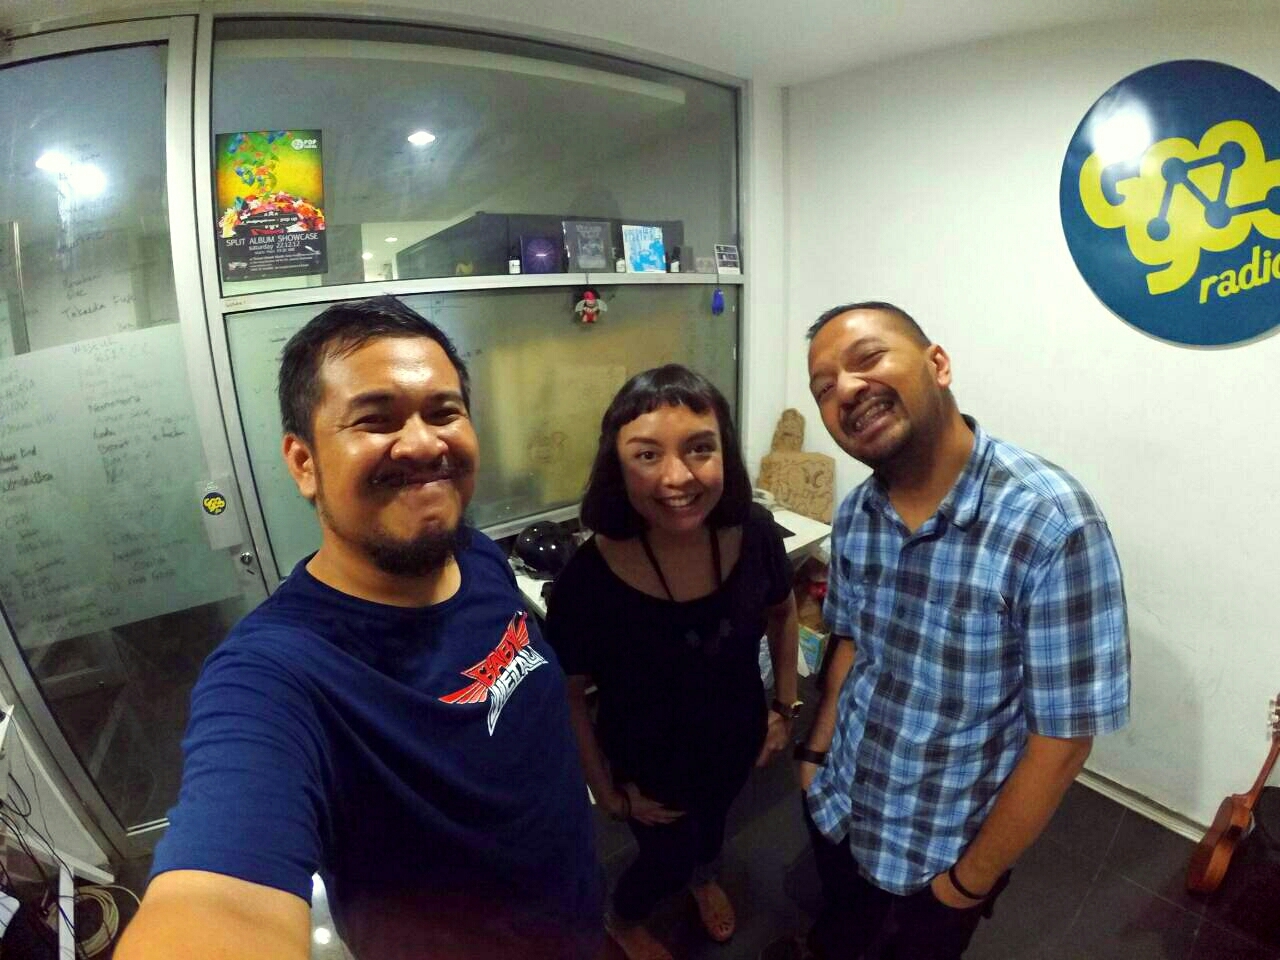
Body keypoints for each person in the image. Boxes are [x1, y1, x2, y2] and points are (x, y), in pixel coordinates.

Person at [118, 296, 602, 960]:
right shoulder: (275, 675)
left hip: (577, 913)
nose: (424, 442)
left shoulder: (475, 556)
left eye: (444, 412)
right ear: (303, 462)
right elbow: (217, 905)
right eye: (376, 419)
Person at [773, 301, 1130, 960]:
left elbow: (1062, 741)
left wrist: (965, 885)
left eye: (868, 358)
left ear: (938, 364)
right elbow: (851, 640)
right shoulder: (858, 512)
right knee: (839, 928)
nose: (845, 389)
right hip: (840, 801)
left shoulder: (1051, 524)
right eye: (824, 388)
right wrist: (815, 756)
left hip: (939, 848)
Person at [546, 364, 801, 960]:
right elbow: (568, 694)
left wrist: (784, 707)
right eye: (647, 455)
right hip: (649, 774)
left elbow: (784, 612)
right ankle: (625, 916)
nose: (678, 477)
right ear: (616, 466)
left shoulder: (754, 533)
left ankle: (703, 876)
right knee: (663, 859)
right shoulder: (587, 580)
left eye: (699, 448)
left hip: (735, 744)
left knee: (712, 833)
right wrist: (607, 792)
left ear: (724, 451)